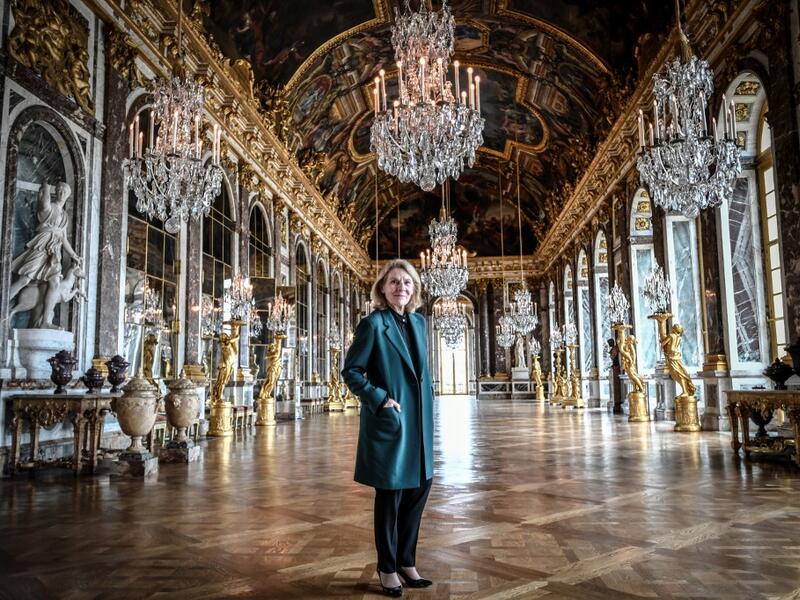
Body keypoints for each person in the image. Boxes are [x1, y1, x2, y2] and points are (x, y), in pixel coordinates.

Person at [342, 259, 434, 597]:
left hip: (420, 423)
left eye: (407, 283)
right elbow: (351, 372)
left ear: (414, 290)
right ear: (382, 287)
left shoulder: (420, 323)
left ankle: (407, 562)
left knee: (419, 490)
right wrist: (380, 399)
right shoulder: (373, 324)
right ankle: (387, 567)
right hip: (392, 420)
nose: (401, 288)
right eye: (394, 281)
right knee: (391, 496)